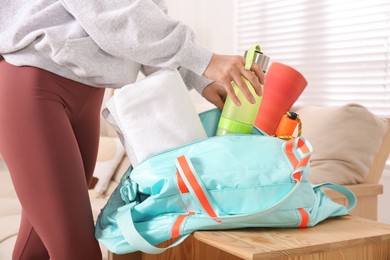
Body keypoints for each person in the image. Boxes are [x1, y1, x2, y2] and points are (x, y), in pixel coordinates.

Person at [0, 1, 265, 259]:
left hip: (86, 94)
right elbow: (110, 12)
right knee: (77, 250)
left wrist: (203, 79)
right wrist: (206, 60)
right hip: (34, 86)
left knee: (38, 245)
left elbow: (145, 23)